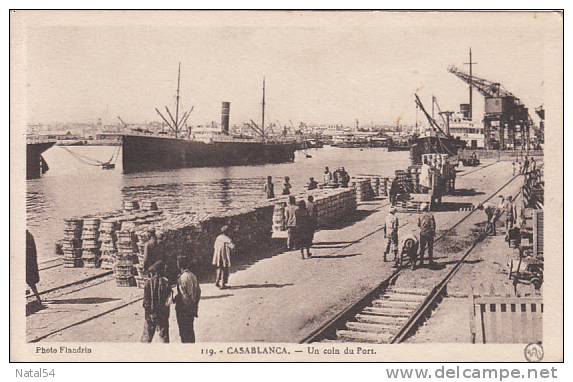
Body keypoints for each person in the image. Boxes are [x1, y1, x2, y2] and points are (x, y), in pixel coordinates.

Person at [141, 261, 172, 343]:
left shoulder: (148, 283)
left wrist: (148, 313)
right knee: (164, 337)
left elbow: (146, 301)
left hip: (150, 314)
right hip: (163, 315)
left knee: (147, 337)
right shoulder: (166, 283)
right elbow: (169, 300)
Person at [174, 256, 201, 343]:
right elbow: (198, 292)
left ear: (179, 265)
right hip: (192, 308)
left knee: (184, 332)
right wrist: (195, 304)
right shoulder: (193, 276)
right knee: (190, 330)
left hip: (183, 309)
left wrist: (175, 299)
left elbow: (183, 295)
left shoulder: (182, 278)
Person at [26, 230, 42, 305]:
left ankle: (38, 298)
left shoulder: (27, 237)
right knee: (31, 282)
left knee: (30, 281)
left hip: (28, 264)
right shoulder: (29, 236)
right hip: (29, 264)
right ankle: (38, 298)